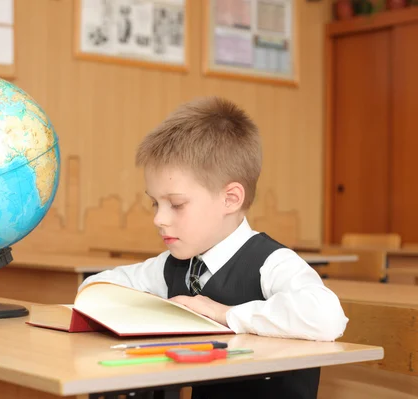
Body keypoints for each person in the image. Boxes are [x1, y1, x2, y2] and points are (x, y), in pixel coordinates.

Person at [78, 96, 348, 399]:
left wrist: (226, 313)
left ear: (230, 199)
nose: (159, 218)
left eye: (176, 204)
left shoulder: (272, 263)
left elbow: (327, 318)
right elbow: (95, 287)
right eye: (155, 203)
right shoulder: (173, 264)